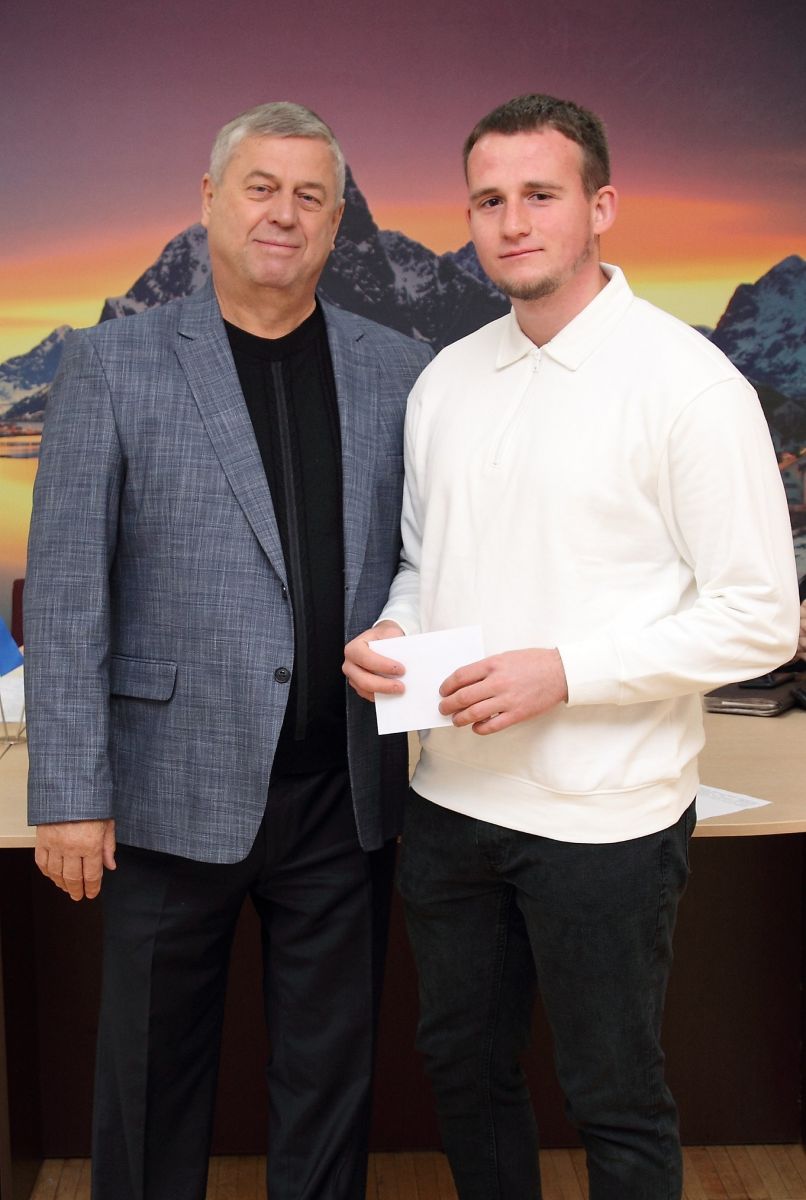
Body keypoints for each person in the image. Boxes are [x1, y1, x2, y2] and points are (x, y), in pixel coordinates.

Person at [343, 93, 799, 1200]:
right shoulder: (446, 381)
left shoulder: (689, 386)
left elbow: (759, 615)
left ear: (600, 206)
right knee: (463, 1074)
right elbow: (425, 562)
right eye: (488, 200)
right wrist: (398, 629)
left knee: (613, 1097)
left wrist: (563, 673)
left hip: (609, 819)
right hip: (451, 803)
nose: (512, 222)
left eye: (540, 194)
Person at [24, 101, 431, 1200]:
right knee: (150, 1084)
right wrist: (69, 793)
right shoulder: (113, 364)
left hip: (343, 796)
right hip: (167, 791)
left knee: (329, 1084)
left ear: (336, 221)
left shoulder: (399, 368)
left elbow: (428, 555)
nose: (283, 214)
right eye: (261, 187)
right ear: (209, 200)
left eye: (309, 195)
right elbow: (64, 593)